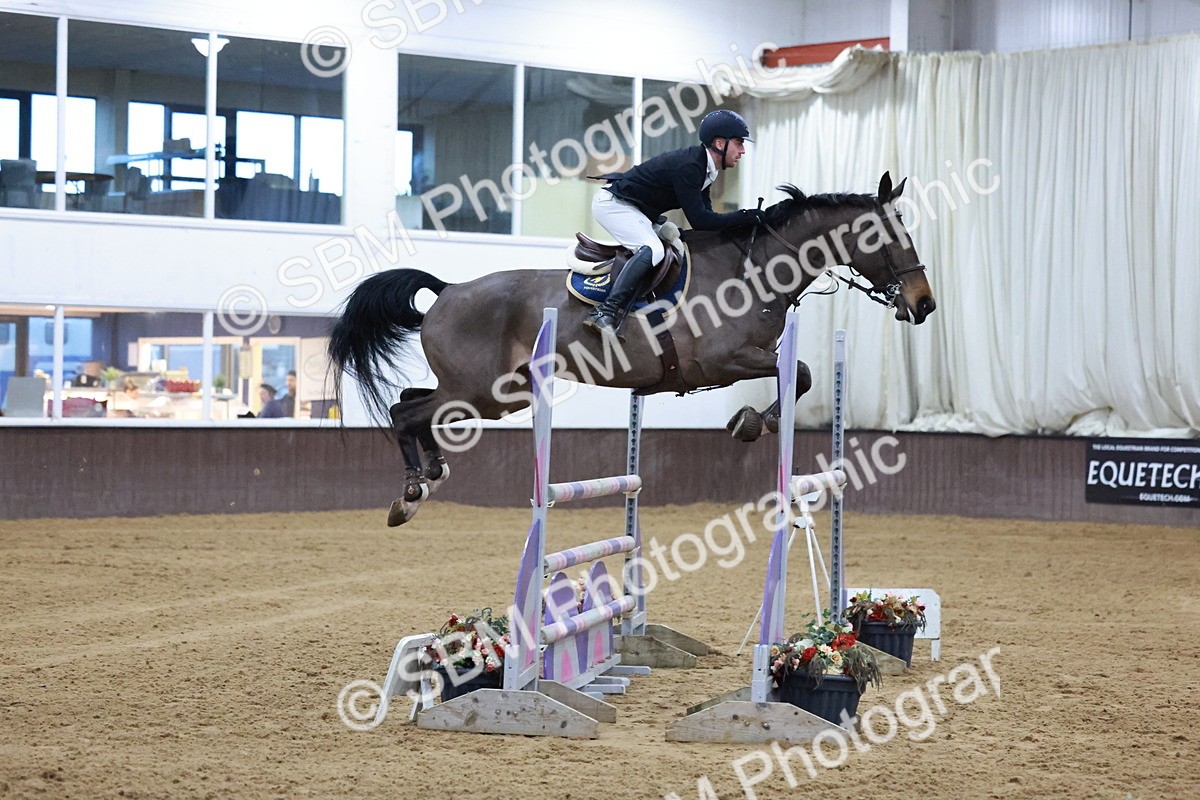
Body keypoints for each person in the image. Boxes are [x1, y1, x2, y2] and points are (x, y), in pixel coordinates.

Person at [584, 109, 766, 336]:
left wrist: (743, 221)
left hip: (638, 209)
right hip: (614, 205)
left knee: (675, 240)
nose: (742, 151)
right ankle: (605, 311)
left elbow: (706, 219)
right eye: (739, 143)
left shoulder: (707, 169)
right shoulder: (690, 167)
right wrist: (744, 217)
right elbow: (700, 220)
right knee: (653, 249)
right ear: (720, 143)